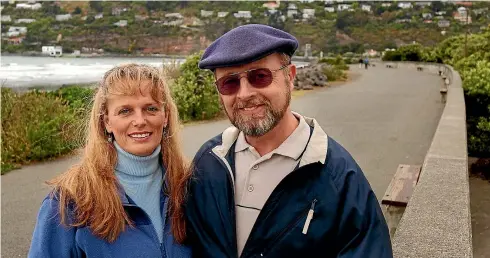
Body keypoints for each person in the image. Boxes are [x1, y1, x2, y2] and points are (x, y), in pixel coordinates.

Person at [184, 24, 393, 258]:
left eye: (260, 76)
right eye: (229, 83)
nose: (244, 94)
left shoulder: (338, 176)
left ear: (290, 76)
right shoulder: (209, 162)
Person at [28, 64, 192, 258]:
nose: (139, 120)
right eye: (125, 111)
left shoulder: (190, 187)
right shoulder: (69, 201)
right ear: (106, 121)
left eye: (151, 108)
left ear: (165, 117)